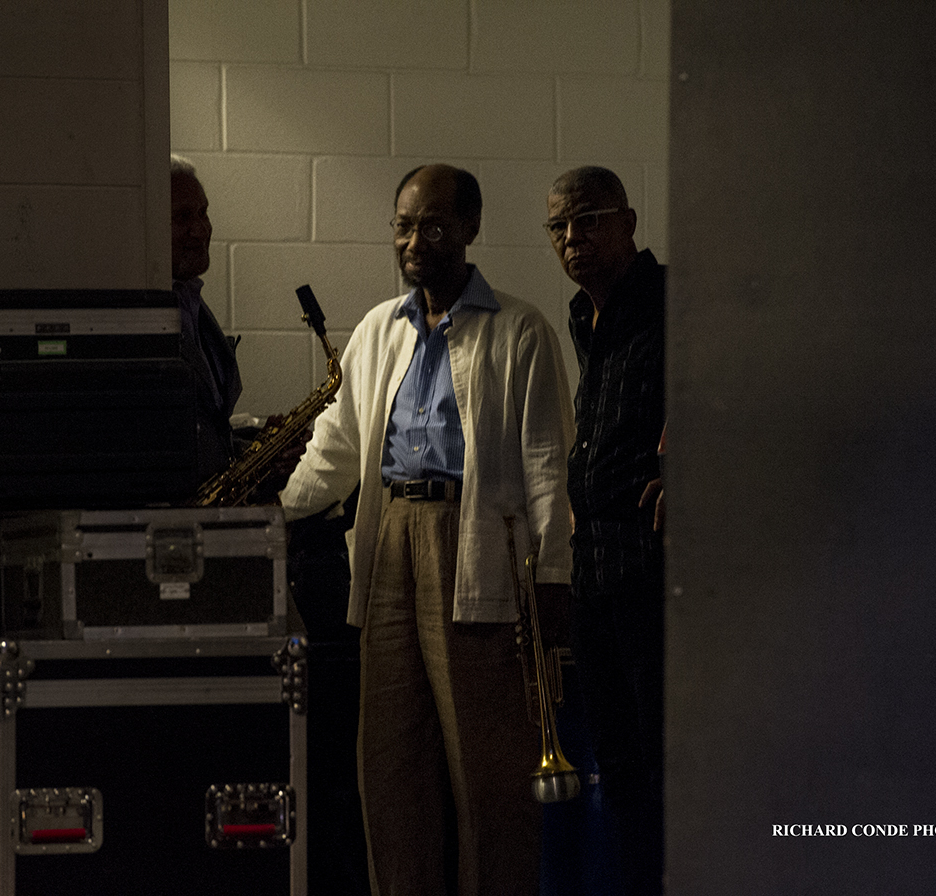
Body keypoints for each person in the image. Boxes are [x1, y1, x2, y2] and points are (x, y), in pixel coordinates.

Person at [280, 164, 575, 896]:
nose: (416, 239)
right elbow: (337, 450)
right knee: (389, 759)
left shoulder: (521, 329)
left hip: (472, 544)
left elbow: (545, 464)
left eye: (435, 224)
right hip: (386, 542)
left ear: (470, 230)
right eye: (405, 224)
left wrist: (554, 578)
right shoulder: (379, 329)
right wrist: (267, 518)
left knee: (489, 769)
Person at [545, 166, 667, 895]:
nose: (572, 238)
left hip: (651, 570)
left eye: (588, 220)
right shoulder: (582, 316)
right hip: (593, 570)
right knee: (616, 768)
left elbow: (741, 389)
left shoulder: (672, 299)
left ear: (626, 221)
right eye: (559, 227)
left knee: (660, 765)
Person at [171, 154, 242, 480]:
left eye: (203, 213)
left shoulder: (193, 303)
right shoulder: (142, 315)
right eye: (183, 217)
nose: (200, 230)